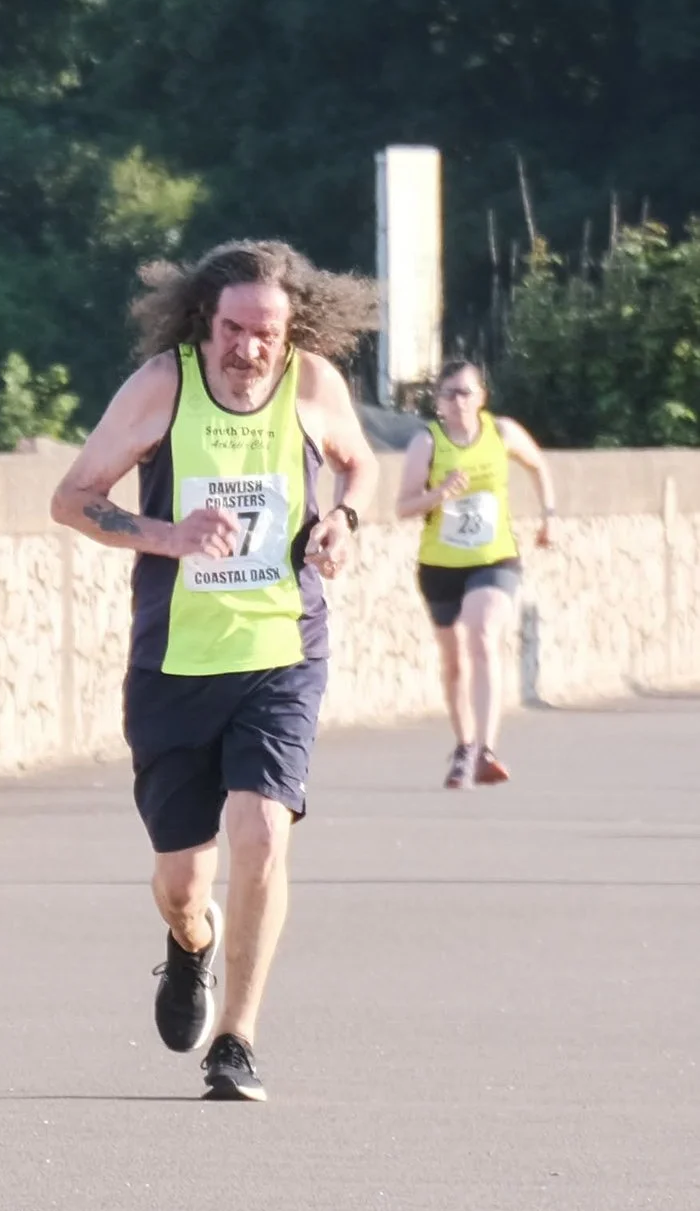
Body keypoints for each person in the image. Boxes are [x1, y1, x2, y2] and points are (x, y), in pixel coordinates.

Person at [49, 241, 377, 1103]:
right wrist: (170, 536)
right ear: (206, 319)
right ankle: (190, 941)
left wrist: (344, 521)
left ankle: (236, 1040)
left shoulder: (313, 385)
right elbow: (71, 498)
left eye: (267, 332)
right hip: (175, 662)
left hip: (281, 650)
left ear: (292, 330)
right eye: (234, 329)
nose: (249, 349)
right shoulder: (163, 387)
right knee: (182, 884)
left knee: (263, 830)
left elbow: (360, 462)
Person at [394, 358, 558, 789]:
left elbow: (538, 465)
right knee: (454, 663)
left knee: (482, 633)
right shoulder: (426, 443)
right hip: (440, 565)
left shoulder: (502, 433)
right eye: (448, 394)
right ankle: (464, 745)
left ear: (482, 397)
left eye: (466, 392)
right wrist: (438, 494)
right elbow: (403, 506)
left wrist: (549, 516)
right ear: (438, 402)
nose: (458, 401)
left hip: (494, 558)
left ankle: (487, 749)